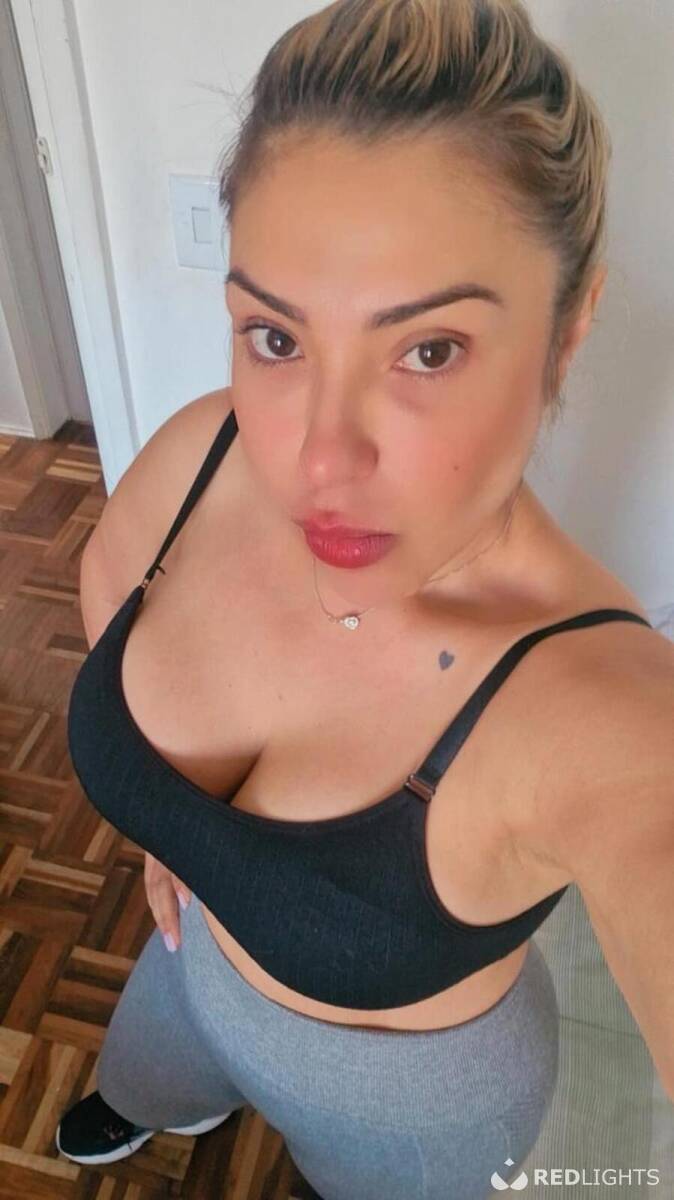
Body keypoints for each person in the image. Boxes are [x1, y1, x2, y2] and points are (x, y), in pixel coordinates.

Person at [55, 1, 673, 1197]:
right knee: (140, 1082)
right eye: (275, 338)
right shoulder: (203, 454)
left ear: (567, 329)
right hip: (184, 967)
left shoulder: (597, 705)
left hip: (406, 1113)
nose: (317, 460)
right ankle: (154, 1103)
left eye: (427, 350)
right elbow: (106, 579)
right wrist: (168, 835)